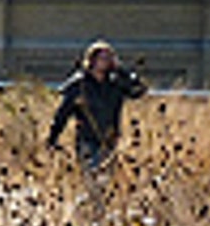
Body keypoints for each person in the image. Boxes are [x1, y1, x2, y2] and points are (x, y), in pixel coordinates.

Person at [47, 40, 147, 168]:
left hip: (110, 140)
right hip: (87, 140)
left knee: (107, 175)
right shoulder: (80, 84)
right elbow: (62, 113)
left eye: (109, 58)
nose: (105, 62)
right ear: (92, 60)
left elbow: (138, 91)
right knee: (93, 174)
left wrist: (122, 70)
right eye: (102, 58)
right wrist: (53, 138)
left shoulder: (115, 84)